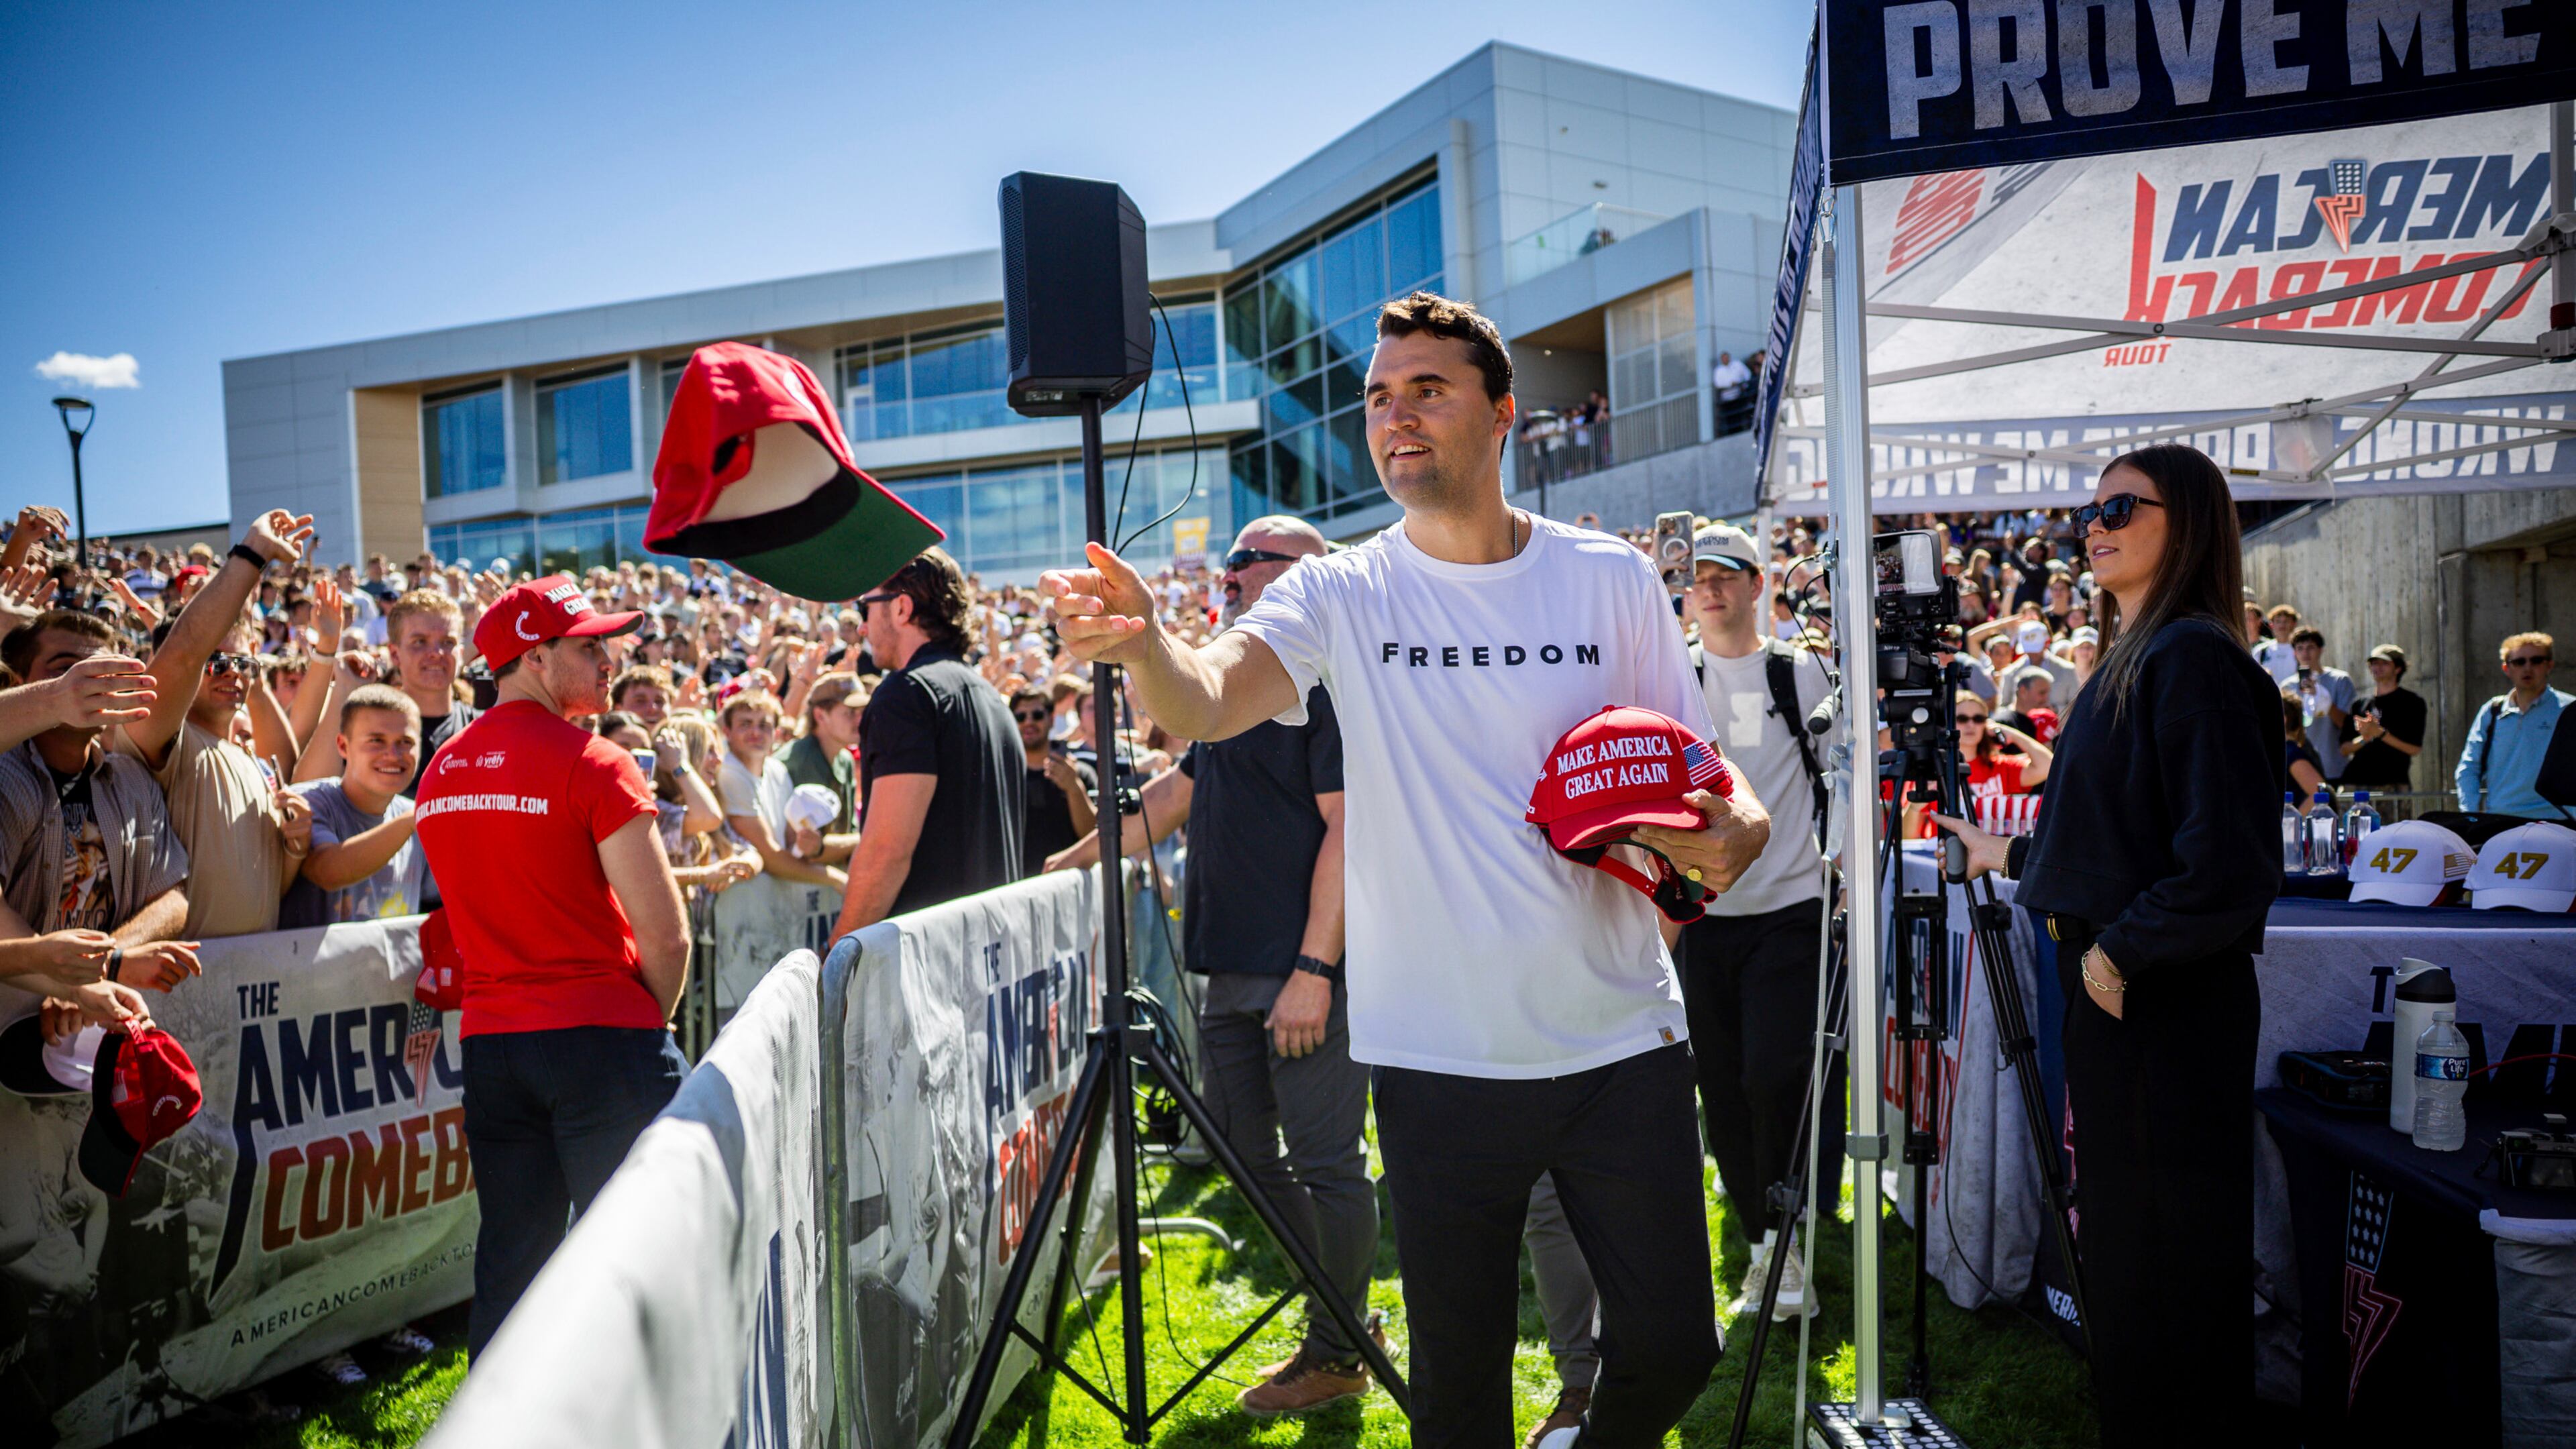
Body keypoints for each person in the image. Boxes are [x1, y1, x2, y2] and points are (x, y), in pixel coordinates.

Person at [1044, 292, 1769, 1449]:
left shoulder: (1610, 578)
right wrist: (1142, 647)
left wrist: (1742, 827)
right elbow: (1213, 696)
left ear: (1502, 415)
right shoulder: (1341, 587)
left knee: (1679, 1347)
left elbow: (1696, 778)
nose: (1395, 416)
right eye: (1379, 396)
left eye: (1427, 389)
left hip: (1620, 1042)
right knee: (1460, 1396)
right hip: (1438, 1061)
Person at [1937, 442, 2280, 1448]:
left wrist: (2117, 957)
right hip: (2126, 996)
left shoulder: (2195, 658)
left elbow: (2227, 866)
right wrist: (2007, 851)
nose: (2096, 525)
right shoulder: (2142, 654)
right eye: (2091, 510)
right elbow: (2122, 839)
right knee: (2135, 1255)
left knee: (2168, 1263)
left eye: (2123, 506)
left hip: (2159, 1002)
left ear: (2191, 522)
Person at [1050, 514, 1385, 1415]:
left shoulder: (1329, 685)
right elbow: (1173, 796)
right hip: (1228, 970)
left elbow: (1350, 834)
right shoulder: (1235, 687)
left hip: (1304, 971)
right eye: (1230, 560)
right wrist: (1073, 862)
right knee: (1242, 1156)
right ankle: (1345, 1326)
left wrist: (1316, 966)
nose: (1228, 574)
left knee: (1327, 1163)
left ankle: (1338, 1345)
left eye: (1247, 560)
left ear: (1309, 575)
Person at [413, 574, 690, 1359]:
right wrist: (648, 1024)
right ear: (535, 657)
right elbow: (667, 937)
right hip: (604, 1040)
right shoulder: (596, 761)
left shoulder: (440, 772)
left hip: (497, 1048)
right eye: (590, 646)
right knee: (640, 1261)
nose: (611, 660)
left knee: (514, 1265)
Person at [1670, 521, 1839, 1328]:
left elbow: (1841, 778)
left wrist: (1842, 875)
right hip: (1703, 917)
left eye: (1727, 574)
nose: (1712, 587)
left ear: (1757, 583)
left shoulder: (1798, 670)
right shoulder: (1673, 672)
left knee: (1777, 1074)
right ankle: (1764, 1240)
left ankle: (1789, 1225)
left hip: (1791, 907)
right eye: (1700, 575)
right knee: (1725, 1090)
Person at [111, 511, 321, 938]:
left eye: (243, 663)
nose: (234, 674)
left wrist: (296, 847)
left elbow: (266, 891)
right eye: (219, 661)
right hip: (180, 984)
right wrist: (252, 554)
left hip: (255, 983)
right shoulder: (169, 740)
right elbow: (186, 654)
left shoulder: (251, 759)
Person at [832, 547, 1024, 936]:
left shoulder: (905, 695)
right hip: (992, 959)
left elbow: (887, 853)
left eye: (866, 607)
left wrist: (836, 960)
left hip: (929, 968)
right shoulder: (993, 699)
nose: (863, 628)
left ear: (901, 608)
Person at [283, 686, 426, 926]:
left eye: (405, 742)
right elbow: (327, 872)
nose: (393, 754)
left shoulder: (414, 814)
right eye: (376, 741)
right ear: (342, 746)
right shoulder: (309, 802)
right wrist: (414, 819)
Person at [2455, 631, 2571, 820]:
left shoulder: (2569, 709)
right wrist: (2471, 815)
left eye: (2536, 660)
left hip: (2558, 822)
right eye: (2519, 662)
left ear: (2549, 665)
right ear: (2506, 668)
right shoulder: (2491, 711)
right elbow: (2469, 768)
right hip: (2500, 822)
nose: (2528, 668)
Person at [1012, 684, 1095, 876]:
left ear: (1051, 719)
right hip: (1016, 888)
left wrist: (1075, 789)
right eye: (1020, 717)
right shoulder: (1003, 776)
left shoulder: (1080, 773)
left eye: (1038, 715)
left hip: (1068, 885)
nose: (1029, 722)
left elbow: (1092, 836)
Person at [2339, 644, 2424, 791]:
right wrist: (2365, 738)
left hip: (2393, 785)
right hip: (2355, 784)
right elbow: (2345, 749)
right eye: (2374, 663)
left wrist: (2380, 733)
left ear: (2398, 668)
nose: (2377, 668)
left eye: (2384, 663)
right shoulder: (2359, 705)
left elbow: (2414, 749)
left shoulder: (2411, 703)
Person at [2284, 627, 2354, 780]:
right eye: (2300, 648)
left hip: (2334, 766)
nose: (2305, 653)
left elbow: (2346, 725)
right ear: (2294, 653)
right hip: (2300, 767)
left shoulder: (2340, 681)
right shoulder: (2287, 687)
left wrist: (2324, 700)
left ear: (2321, 650)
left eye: (2311, 648)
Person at [2280, 690, 2328, 798]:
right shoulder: (2289, 750)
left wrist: (2295, 814)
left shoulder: (2291, 753)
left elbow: (2318, 792)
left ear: (2283, 719)